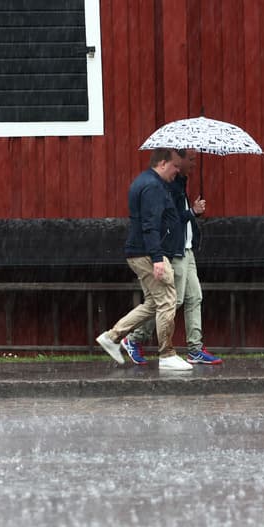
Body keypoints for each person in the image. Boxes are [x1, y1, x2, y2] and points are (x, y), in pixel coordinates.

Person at [120, 148, 223, 365]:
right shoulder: (167, 185)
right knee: (171, 301)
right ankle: (135, 338)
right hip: (175, 250)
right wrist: (191, 213)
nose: (193, 164)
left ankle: (195, 348)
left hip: (187, 249)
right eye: (189, 160)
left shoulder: (179, 183)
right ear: (175, 162)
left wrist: (193, 212)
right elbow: (170, 220)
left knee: (194, 297)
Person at [94, 148, 192, 371]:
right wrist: (157, 258)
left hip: (141, 252)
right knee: (167, 301)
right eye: (175, 166)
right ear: (162, 163)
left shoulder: (148, 182)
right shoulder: (152, 187)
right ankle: (167, 354)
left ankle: (112, 337)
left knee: (153, 303)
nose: (178, 171)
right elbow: (150, 223)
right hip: (149, 253)